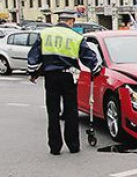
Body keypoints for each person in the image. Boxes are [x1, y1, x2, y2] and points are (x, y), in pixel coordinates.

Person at [27, 10, 102, 155]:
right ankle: (73, 145)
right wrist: (96, 69)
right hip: (69, 77)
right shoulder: (76, 37)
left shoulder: (44, 34)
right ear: (70, 22)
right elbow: (89, 57)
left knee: (53, 112)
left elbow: (34, 56)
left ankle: (55, 147)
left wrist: (33, 73)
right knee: (71, 112)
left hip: (51, 77)